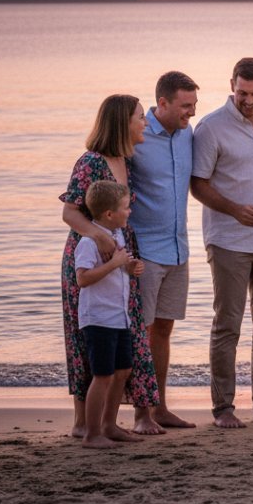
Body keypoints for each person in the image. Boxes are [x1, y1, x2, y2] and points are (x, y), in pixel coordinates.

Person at [191, 57, 253, 428]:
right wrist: (234, 210)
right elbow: (197, 183)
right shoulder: (211, 128)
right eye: (243, 92)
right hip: (229, 239)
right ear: (231, 84)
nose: (249, 100)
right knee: (228, 324)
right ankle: (223, 408)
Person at [59, 94, 159, 437]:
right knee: (88, 339)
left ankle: (108, 421)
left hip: (120, 258)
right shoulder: (91, 162)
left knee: (124, 337)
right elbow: (70, 211)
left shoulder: (125, 162)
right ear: (122, 122)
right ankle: (82, 423)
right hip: (90, 253)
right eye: (140, 117)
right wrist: (99, 237)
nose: (145, 123)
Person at [128, 70, 199, 432]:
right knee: (141, 331)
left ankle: (160, 407)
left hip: (178, 248)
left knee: (165, 331)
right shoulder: (137, 136)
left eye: (194, 106)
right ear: (163, 103)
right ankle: (140, 415)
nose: (191, 113)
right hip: (145, 252)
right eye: (185, 106)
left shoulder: (188, 135)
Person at [75, 181, 145, 449]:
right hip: (98, 318)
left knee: (123, 369)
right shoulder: (89, 242)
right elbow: (82, 279)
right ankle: (92, 433)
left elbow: (121, 268)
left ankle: (109, 425)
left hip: (119, 316)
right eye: (125, 208)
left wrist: (130, 267)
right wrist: (115, 263)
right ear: (108, 214)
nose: (129, 212)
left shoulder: (119, 236)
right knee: (102, 375)